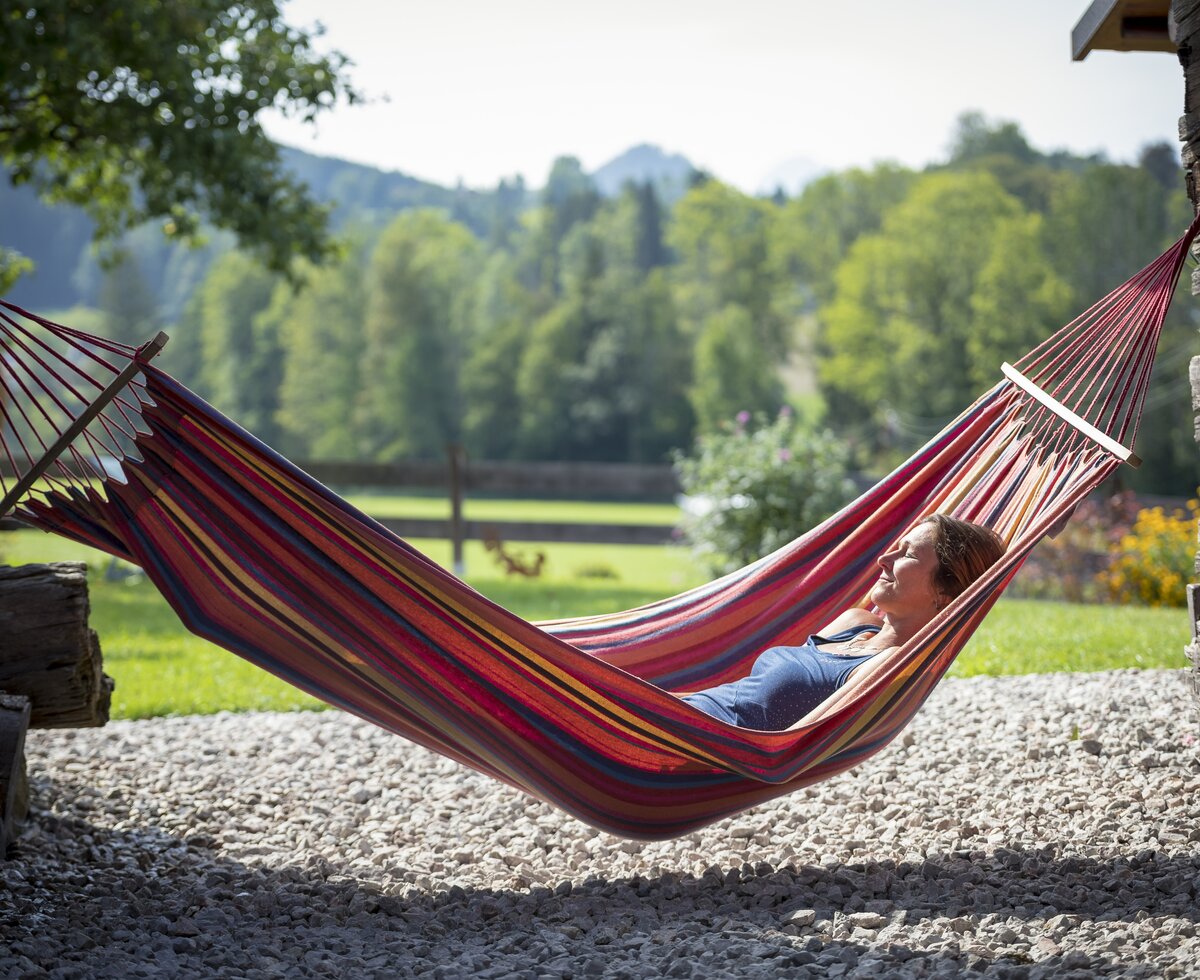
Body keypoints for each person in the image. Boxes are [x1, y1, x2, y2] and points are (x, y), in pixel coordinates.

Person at [682, 514, 1005, 730]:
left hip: (693, 741)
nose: (884, 559)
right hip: (679, 714)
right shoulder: (855, 622)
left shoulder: (888, 665)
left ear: (946, 593)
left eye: (907, 555)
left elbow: (791, 748)